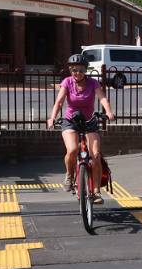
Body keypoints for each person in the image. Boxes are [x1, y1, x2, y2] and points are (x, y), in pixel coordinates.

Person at [47, 55, 115, 202]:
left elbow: (102, 98)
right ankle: (69, 176)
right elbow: (59, 102)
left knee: (95, 155)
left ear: (86, 70)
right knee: (72, 150)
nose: (76, 73)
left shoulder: (93, 83)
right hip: (70, 121)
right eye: (73, 70)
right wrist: (52, 117)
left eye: (80, 70)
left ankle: (96, 192)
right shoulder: (67, 82)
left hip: (89, 121)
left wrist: (108, 111)